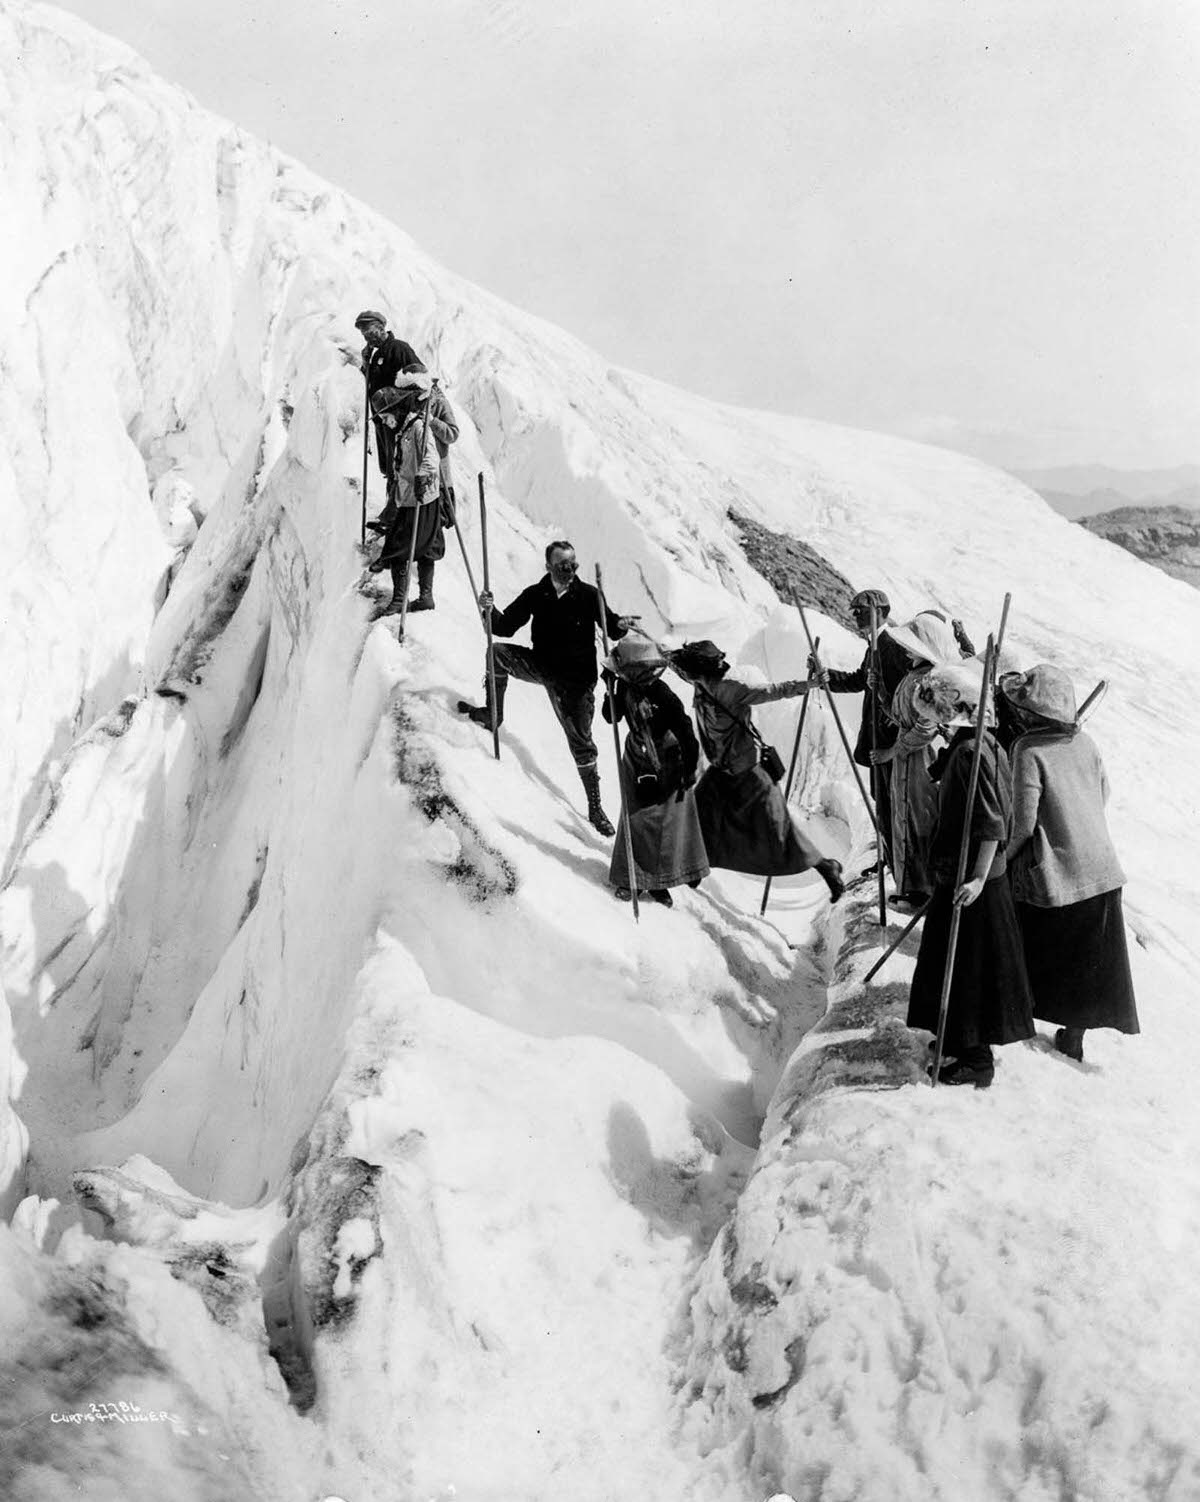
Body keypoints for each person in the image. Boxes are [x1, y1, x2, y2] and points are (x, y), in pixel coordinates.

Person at [906, 663, 1035, 1087]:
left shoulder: (970, 753)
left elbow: (992, 823)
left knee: (967, 969)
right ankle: (956, 1039)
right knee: (953, 960)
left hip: (971, 881)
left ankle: (976, 1059)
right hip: (964, 877)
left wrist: (977, 879)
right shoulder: (979, 743)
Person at [1001, 664, 1139, 1062]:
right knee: (1087, 958)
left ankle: (1017, 1018)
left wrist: (1003, 860)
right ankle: (1074, 1036)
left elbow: (1023, 824)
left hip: (1061, 869)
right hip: (1102, 865)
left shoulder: (1028, 750)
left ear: (1030, 712)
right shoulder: (1087, 743)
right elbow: (1103, 792)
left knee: (1029, 938)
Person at [459, 541, 637, 835]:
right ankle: (493, 714)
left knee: (581, 744)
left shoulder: (589, 595)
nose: (570, 571)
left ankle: (595, 807)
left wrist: (621, 624)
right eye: (563, 566)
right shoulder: (536, 593)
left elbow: (612, 628)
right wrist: (488, 611)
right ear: (549, 568)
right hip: (541, 666)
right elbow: (504, 628)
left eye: (573, 565)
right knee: (497, 653)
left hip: (575, 682)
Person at [668, 640, 844, 901]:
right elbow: (674, 663)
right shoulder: (699, 683)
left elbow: (774, 690)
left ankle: (826, 867)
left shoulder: (731, 690)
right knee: (698, 813)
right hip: (720, 770)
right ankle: (693, 868)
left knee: (778, 828)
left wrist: (810, 685)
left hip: (747, 771)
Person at [600, 637, 709, 906]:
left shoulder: (663, 694)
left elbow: (686, 733)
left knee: (664, 826)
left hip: (668, 763)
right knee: (636, 819)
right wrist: (609, 688)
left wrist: (690, 769)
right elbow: (610, 717)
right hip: (637, 759)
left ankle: (658, 883)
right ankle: (632, 881)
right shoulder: (625, 685)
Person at [868, 613, 961, 910]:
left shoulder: (931, 679)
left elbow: (925, 727)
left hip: (922, 760)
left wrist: (892, 752)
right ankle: (914, 885)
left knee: (920, 816)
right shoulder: (916, 676)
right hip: (909, 760)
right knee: (908, 814)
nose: (906, 651)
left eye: (912, 646)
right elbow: (903, 716)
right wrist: (880, 692)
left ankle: (925, 887)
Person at [824, 588, 910, 874]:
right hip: (879, 739)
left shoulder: (893, 646)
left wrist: (893, 731)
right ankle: (889, 857)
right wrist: (827, 677)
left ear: (883, 613)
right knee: (881, 797)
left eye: (864, 611)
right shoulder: (875, 645)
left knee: (891, 800)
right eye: (856, 612)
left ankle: (899, 861)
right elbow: (861, 680)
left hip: (889, 742)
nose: (858, 616)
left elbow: (902, 695)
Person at [367, 374, 458, 619]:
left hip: (421, 497)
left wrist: (422, 477)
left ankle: (400, 600)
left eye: (385, 416)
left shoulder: (418, 426)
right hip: (412, 496)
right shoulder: (406, 427)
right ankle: (425, 597)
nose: (384, 422)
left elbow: (431, 457)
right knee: (427, 545)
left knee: (398, 548)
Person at [355, 310, 427, 490]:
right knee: (389, 466)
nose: (367, 338)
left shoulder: (399, 349)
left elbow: (421, 381)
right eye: (364, 335)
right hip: (383, 420)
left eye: (370, 332)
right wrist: (365, 364)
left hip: (400, 420)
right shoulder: (374, 356)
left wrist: (400, 402)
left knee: (400, 463)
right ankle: (393, 504)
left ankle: (399, 510)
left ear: (381, 328)